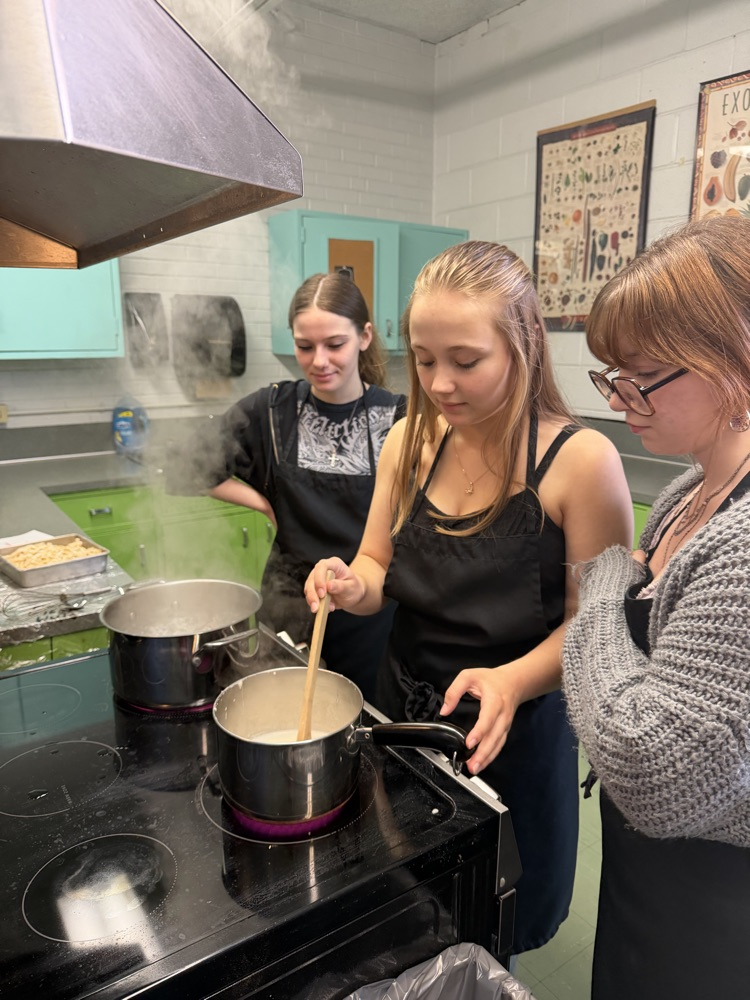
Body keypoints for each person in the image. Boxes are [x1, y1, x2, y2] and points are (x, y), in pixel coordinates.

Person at [304, 240, 633, 954]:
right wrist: (347, 583)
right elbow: (374, 566)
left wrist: (511, 681)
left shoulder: (580, 463)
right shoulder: (406, 441)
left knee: (491, 928)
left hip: (512, 740)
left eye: (465, 360)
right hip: (407, 730)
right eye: (424, 360)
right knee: (410, 920)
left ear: (523, 345)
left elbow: (594, 629)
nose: (441, 384)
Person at [561, 215, 750, 998]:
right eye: (610, 374)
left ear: (734, 357)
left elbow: (650, 763)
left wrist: (600, 587)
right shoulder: (685, 494)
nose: (617, 397)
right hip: (650, 875)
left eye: (640, 375)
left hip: (719, 909)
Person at [207, 272, 406, 705]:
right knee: (281, 716)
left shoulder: (398, 419)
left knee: (363, 725)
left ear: (365, 336)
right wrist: (262, 501)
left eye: (335, 344)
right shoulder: (271, 411)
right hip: (288, 606)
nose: (319, 360)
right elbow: (190, 466)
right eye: (304, 346)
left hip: (370, 615)